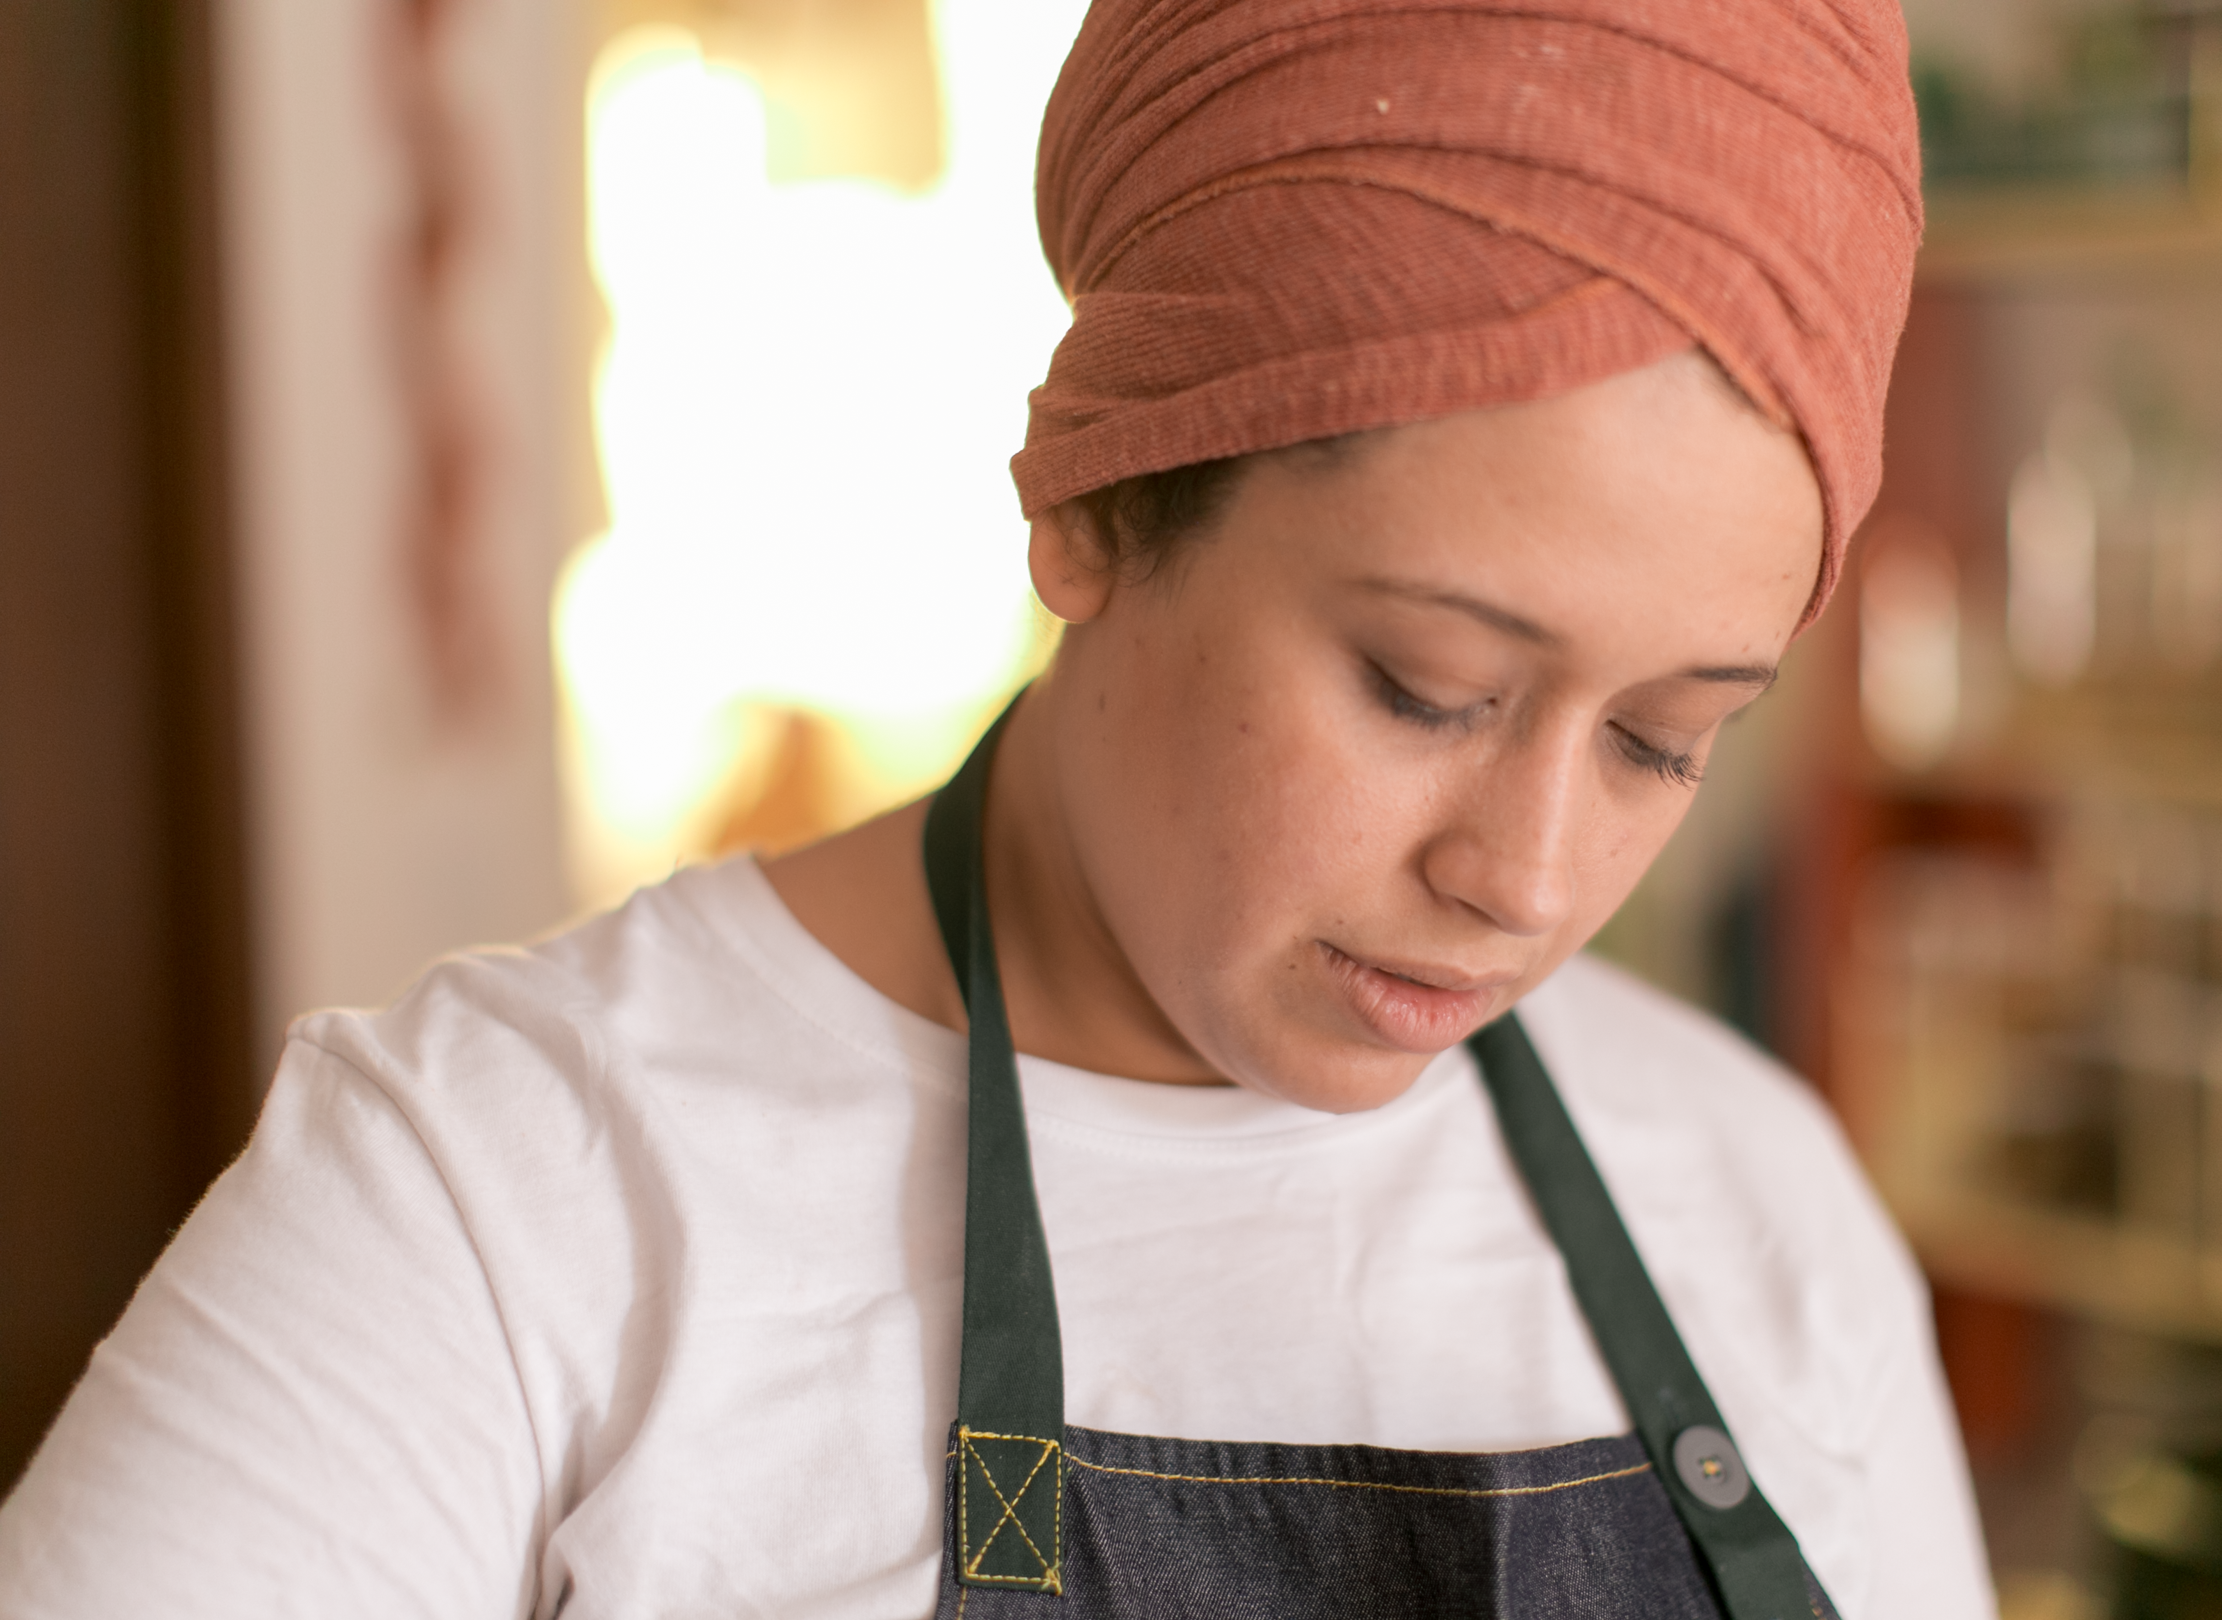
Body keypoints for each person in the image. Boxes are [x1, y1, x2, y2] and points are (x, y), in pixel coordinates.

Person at [0, 0, 1995, 1615]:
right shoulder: (501, 1208)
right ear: (1094, 506)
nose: (1529, 878)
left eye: (1663, 738)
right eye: (1427, 688)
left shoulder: (1757, 1201)